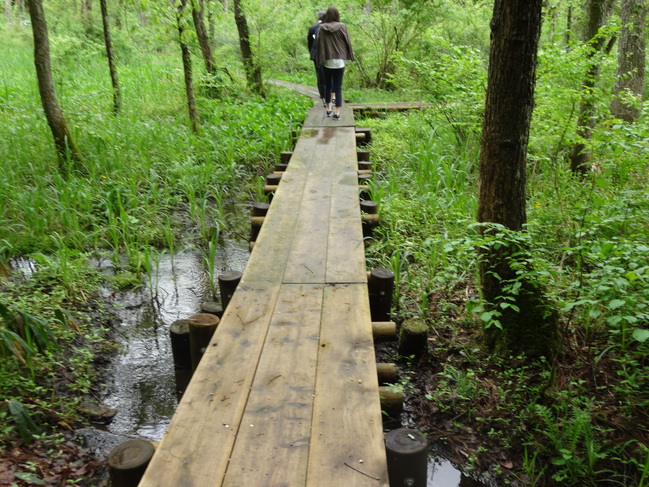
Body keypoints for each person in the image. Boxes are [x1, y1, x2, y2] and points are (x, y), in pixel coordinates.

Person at [315, 6, 354, 121]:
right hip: (339, 61)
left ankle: (328, 109)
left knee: (328, 86)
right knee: (337, 88)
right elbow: (348, 42)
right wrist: (349, 55)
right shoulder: (342, 27)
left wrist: (319, 59)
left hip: (327, 60)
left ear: (327, 15)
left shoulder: (321, 28)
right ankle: (337, 112)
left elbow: (318, 45)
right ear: (337, 15)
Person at [307, 11, 327, 108]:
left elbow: (310, 43)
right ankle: (329, 93)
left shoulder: (312, 28)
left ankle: (322, 93)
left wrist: (312, 52)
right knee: (328, 73)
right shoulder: (328, 27)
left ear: (317, 18)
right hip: (327, 54)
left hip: (316, 55)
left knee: (319, 73)